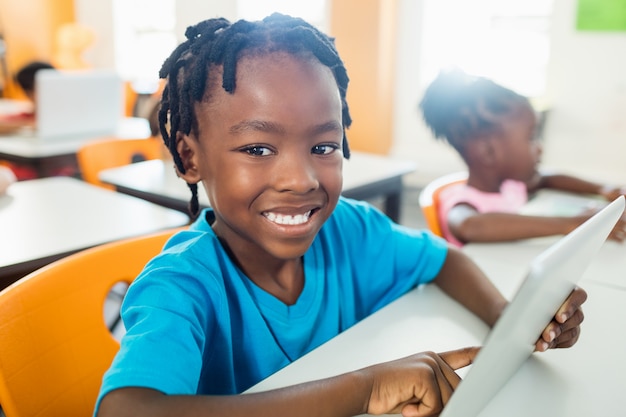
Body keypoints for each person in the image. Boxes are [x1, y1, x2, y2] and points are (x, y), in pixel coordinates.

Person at [95, 14, 587, 417]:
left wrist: (512, 321)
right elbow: (127, 409)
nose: (302, 179)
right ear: (189, 158)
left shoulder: (348, 229)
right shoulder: (180, 285)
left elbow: (442, 259)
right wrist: (365, 388)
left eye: (324, 145)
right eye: (258, 148)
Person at [419, 67, 626, 247]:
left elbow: (548, 179)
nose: (539, 148)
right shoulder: (461, 203)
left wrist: (603, 189)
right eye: (531, 137)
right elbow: (470, 226)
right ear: (488, 151)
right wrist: (572, 224)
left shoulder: (511, 187)